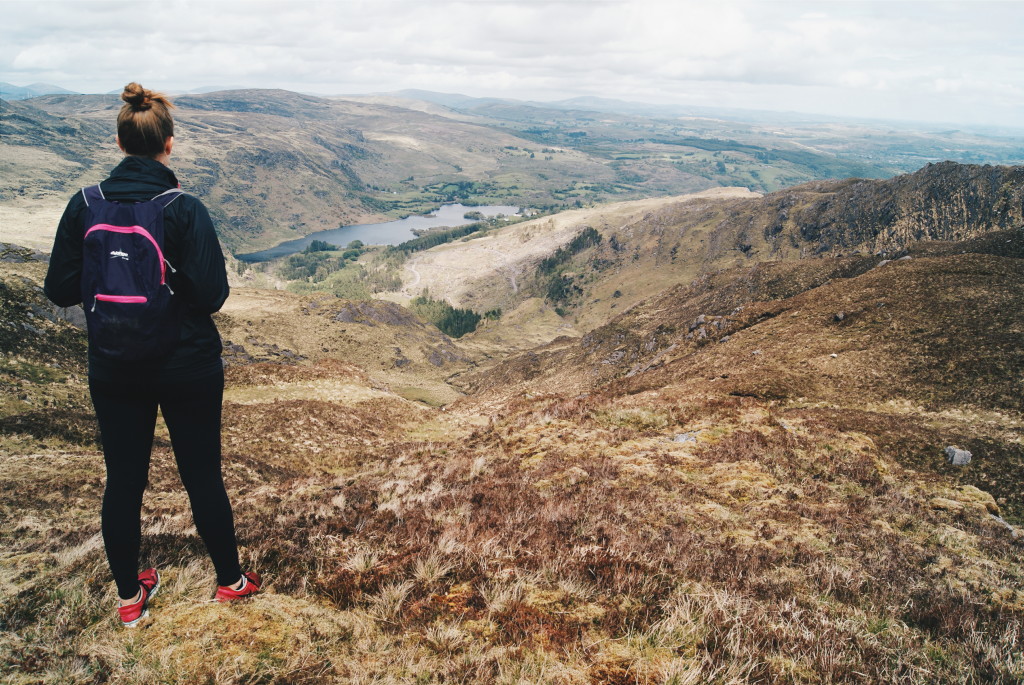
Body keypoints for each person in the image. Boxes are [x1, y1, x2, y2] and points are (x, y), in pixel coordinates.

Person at [44, 83, 260, 627]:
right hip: (186, 365)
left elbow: (60, 289)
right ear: (169, 143)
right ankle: (230, 582)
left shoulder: (85, 203)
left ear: (120, 143)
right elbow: (212, 296)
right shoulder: (183, 208)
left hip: (115, 364)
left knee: (123, 479)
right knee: (202, 475)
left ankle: (129, 598)